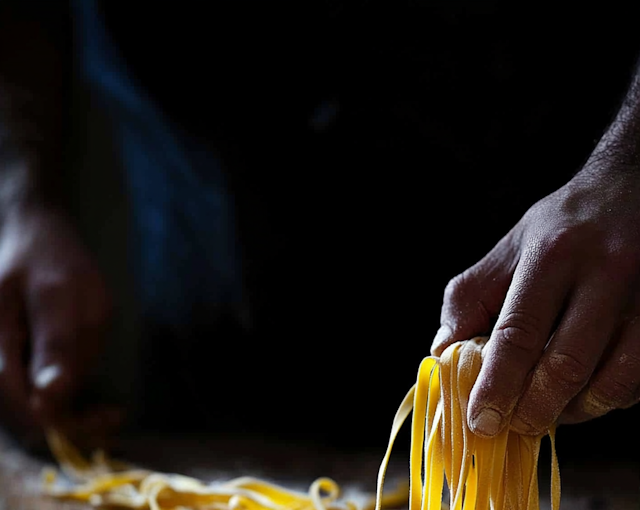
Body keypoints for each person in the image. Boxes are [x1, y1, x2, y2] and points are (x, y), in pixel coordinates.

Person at [1, 2, 640, 456]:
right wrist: (20, 194)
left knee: (545, 392)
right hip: (222, 250)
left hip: (570, 229)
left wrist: (629, 167)